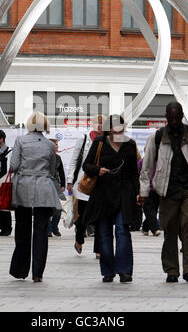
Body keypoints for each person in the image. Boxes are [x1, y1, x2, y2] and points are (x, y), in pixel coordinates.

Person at [139, 102, 188, 283]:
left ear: (181, 115)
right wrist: (144, 191)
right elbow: (147, 167)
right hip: (167, 191)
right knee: (170, 230)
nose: (174, 121)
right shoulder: (156, 137)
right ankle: (172, 270)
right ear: (166, 116)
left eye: (177, 117)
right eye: (170, 117)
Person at [82, 114, 140, 283]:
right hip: (103, 194)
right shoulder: (99, 143)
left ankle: (124, 270)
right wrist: (97, 170)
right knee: (105, 233)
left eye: (121, 130)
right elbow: (87, 165)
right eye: (115, 131)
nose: (118, 134)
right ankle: (108, 271)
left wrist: (138, 192)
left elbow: (134, 173)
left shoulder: (130, 144)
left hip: (124, 193)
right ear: (108, 130)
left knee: (122, 231)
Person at [9, 112, 62, 282]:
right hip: (44, 189)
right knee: (41, 230)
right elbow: (53, 170)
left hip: (23, 186)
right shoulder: (49, 145)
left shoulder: (20, 141)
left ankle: (20, 269)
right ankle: (38, 273)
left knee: (22, 229)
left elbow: (14, 165)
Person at [67, 114, 106, 257]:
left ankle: (98, 249)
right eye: (98, 124)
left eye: (103, 124)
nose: (100, 127)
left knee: (100, 218)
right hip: (83, 184)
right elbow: (74, 160)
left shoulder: (107, 141)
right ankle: (79, 240)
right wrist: (70, 180)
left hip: (100, 184)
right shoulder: (83, 139)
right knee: (83, 216)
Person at [138, 151, 160, 236]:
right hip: (145, 189)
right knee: (149, 210)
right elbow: (138, 175)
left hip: (156, 190)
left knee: (153, 210)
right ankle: (155, 229)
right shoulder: (141, 163)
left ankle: (145, 227)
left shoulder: (158, 163)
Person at [48, 139, 66, 237]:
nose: (57, 146)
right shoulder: (45, 157)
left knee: (58, 208)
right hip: (46, 185)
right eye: (55, 145)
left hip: (56, 185)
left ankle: (55, 227)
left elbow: (61, 172)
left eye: (57, 145)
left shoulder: (58, 158)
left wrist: (63, 185)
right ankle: (48, 229)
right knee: (47, 208)